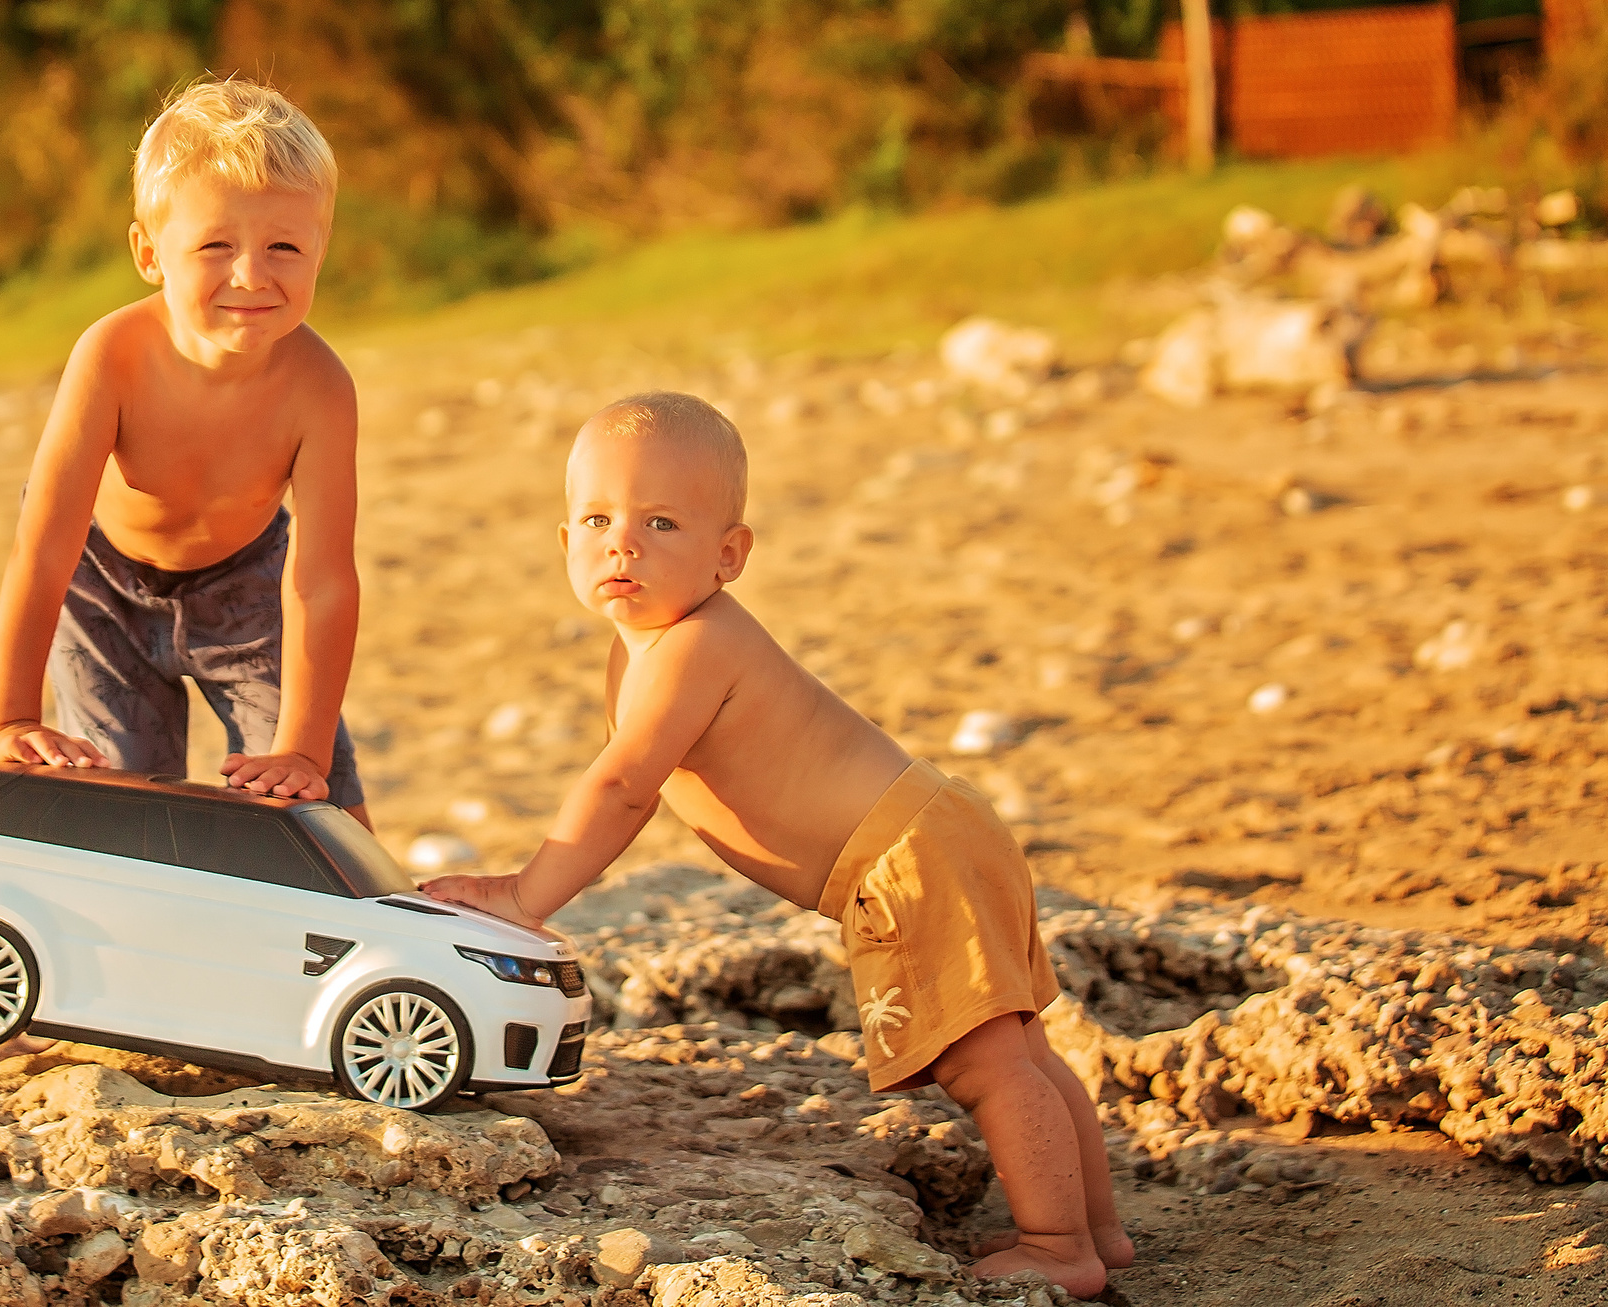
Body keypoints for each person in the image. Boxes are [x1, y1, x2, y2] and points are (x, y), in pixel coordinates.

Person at [421, 393, 1128, 1298]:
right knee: (1022, 1048)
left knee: (988, 1065)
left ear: (730, 554)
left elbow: (624, 785)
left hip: (906, 857)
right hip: (940, 826)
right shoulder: (640, 647)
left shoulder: (693, 646)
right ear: (564, 540)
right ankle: (1095, 1228)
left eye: (660, 521)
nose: (622, 544)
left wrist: (525, 894)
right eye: (598, 519)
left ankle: (1059, 1243)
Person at [0, 76, 369, 824]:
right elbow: (46, 542)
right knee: (121, 807)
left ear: (321, 250)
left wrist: (305, 753)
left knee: (321, 814)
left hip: (250, 594)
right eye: (216, 245)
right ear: (150, 252)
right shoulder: (112, 356)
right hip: (104, 593)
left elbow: (321, 580)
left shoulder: (321, 388)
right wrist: (9, 717)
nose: (251, 274)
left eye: (284, 246)